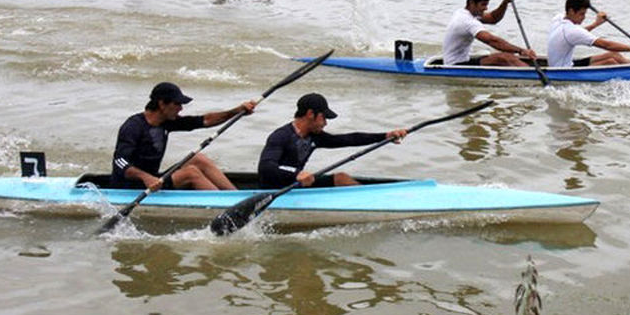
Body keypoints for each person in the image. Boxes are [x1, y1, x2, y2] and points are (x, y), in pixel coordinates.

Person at [111, 82, 256, 191]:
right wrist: (146, 177)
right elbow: (120, 162)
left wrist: (237, 111)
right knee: (191, 173)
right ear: (162, 104)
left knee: (198, 159)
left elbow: (205, 120)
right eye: (177, 104)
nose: (181, 108)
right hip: (132, 187)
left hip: (156, 180)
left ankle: (235, 198)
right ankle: (225, 207)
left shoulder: (166, 122)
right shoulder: (133, 127)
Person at [257, 93, 408, 188]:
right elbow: (266, 167)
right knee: (340, 178)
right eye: (324, 118)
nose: (325, 123)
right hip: (275, 188)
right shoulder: (281, 136)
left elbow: (348, 139)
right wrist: (296, 174)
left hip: (298, 184)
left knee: (341, 178)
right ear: (311, 114)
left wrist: (385, 136)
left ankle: (374, 203)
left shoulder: (314, 136)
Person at [546, 0, 630, 67]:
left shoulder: (558, 18)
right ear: (570, 11)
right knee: (611, 62)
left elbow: (578, 34)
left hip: (566, 64)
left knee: (614, 55)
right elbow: (607, 45)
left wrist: (596, 24)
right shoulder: (571, 30)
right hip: (565, 70)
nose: (584, 17)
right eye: (581, 14)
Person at [442, 0, 538, 66]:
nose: (486, 8)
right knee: (505, 57)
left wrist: (505, 2)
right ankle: (532, 74)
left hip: (463, 59)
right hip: (456, 65)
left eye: (486, 5)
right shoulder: (467, 21)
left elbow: (493, 18)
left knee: (501, 54)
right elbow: (492, 41)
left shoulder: (465, 13)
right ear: (471, 3)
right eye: (483, 5)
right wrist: (521, 51)